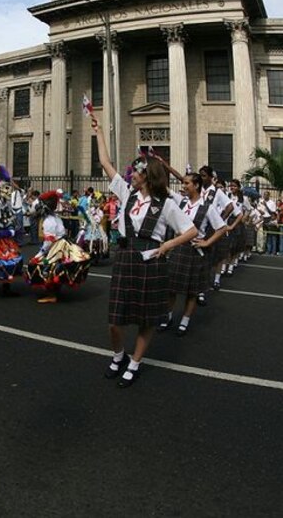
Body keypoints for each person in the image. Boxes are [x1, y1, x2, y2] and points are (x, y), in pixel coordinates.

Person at [92, 114, 196, 388]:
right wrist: (99, 131)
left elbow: (191, 231)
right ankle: (118, 355)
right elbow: (105, 163)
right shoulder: (127, 194)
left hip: (151, 263)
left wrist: (167, 245)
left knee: (146, 319)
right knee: (115, 320)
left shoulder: (168, 204)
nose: (131, 174)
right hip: (126, 259)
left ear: (147, 175)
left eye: (136, 171)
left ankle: (135, 362)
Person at [159, 173, 226, 336]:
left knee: (192, 290)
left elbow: (222, 228)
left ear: (196, 185)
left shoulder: (207, 207)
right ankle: (167, 316)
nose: (183, 186)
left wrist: (207, 242)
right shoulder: (181, 203)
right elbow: (164, 190)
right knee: (171, 287)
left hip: (196, 252)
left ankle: (185, 320)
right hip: (180, 249)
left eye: (186, 183)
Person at [25, 190, 91, 304]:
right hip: (63, 244)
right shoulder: (55, 217)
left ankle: (52, 294)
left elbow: (48, 242)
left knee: (45, 267)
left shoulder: (48, 221)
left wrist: (38, 255)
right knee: (57, 268)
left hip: (56, 247)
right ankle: (55, 291)